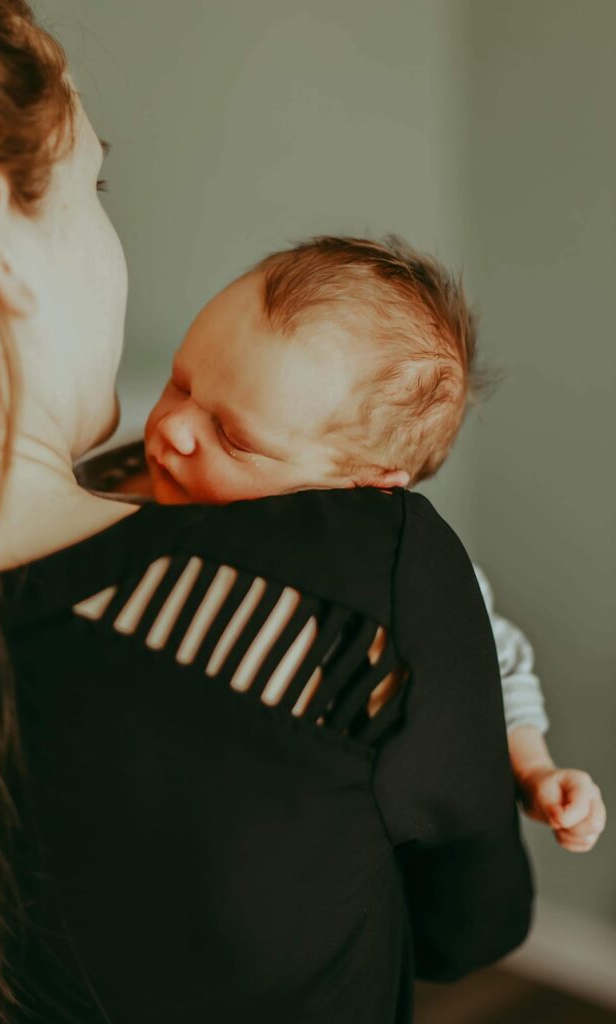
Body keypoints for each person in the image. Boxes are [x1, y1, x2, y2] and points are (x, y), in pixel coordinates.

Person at [0, 3, 531, 1023]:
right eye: (92, 181)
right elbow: (474, 926)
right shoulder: (364, 583)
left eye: (234, 434)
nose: (172, 432)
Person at [138, 237, 606, 854]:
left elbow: (494, 661)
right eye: (180, 382)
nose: (173, 426)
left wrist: (534, 770)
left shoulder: (388, 574)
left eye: (233, 437)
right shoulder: (119, 488)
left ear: (358, 489)